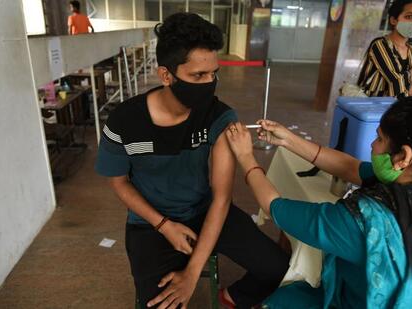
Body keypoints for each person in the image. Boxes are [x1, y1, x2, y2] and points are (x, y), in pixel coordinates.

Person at [95, 13, 289, 309]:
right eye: (198, 76)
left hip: (204, 211)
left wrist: (191, 273)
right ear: (166, 75)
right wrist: (164, 225)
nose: (209, 83)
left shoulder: (218, 116)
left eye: (214, 73)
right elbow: (119, 183)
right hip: (150, 223)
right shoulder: (124, 122)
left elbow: (222, 197)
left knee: (277, 268)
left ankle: (235, 296)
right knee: (159, 303)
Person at [225, 95, 412, 308]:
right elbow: (351, 168)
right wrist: (289, 140)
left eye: (380, 138)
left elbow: (275, 207)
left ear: (404, 157)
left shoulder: (368, 225)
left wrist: (246, 157)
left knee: (281, 300)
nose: (373, 146)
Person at [357, 0, 412, 97]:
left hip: (397, 108)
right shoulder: (380, 45)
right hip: (370, 106)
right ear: (393, 20)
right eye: (409, 16)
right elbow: (396, 85)